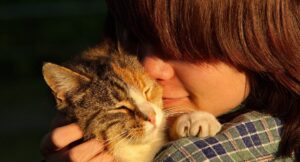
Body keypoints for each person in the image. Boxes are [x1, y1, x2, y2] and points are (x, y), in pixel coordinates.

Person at [40, 0, 300, 161]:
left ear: (260, 38)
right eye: (136, 38)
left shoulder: (189, 157)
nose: (148, 68)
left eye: (182, 47)